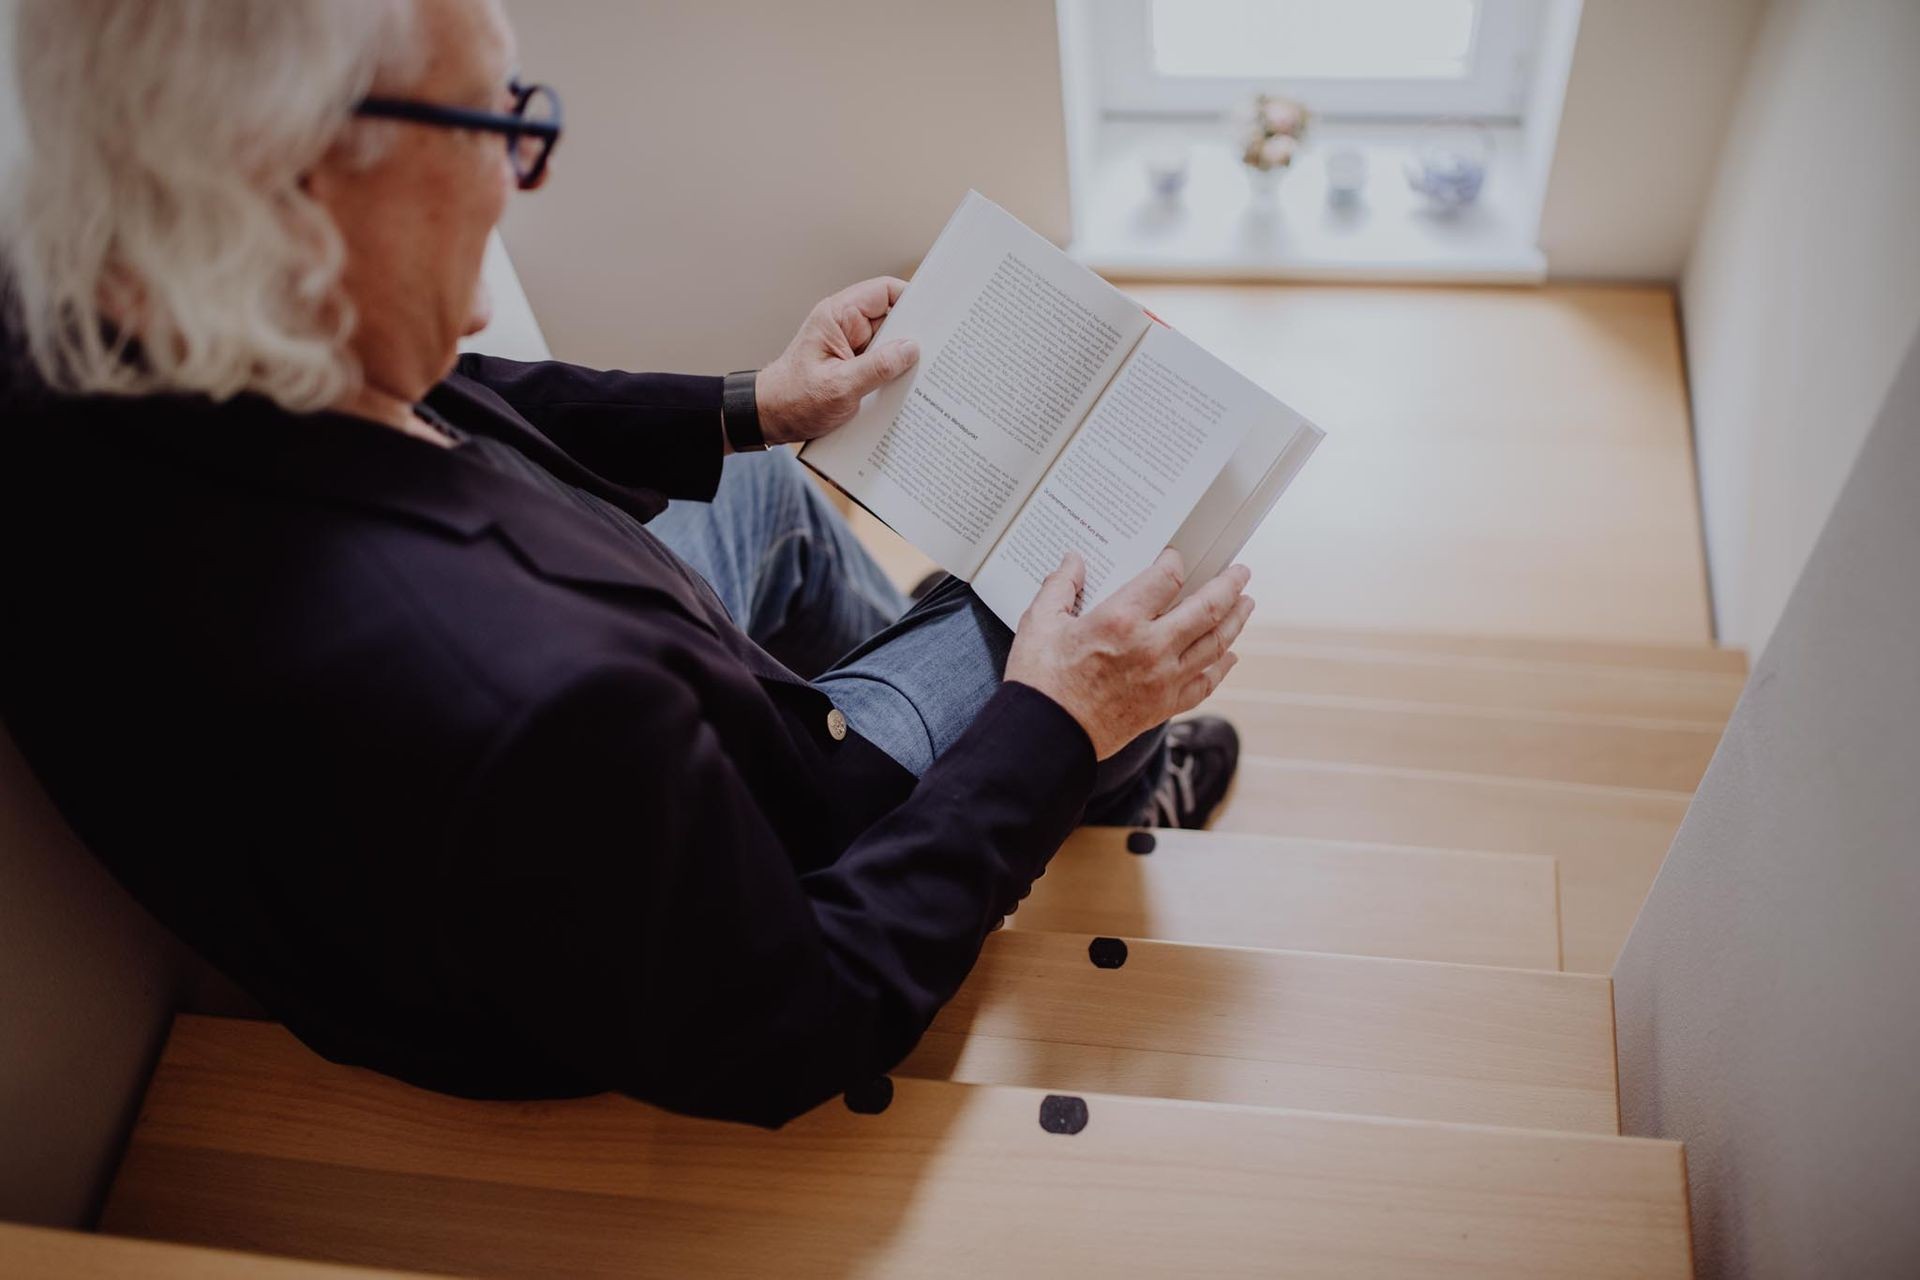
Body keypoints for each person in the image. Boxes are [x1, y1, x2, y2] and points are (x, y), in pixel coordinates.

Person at [0, 0, 1254, 1128]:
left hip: (564, 773)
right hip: (691, 907)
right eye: (496, 122)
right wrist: (1050, 725)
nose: (512, 177)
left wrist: (749, 403)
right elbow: (799, 1022)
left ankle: (887, 709)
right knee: (1084, 599)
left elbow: (453, 387)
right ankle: (1099, 786)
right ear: (303, 183)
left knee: (765, 485)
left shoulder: (94, 308)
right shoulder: (527, 702)